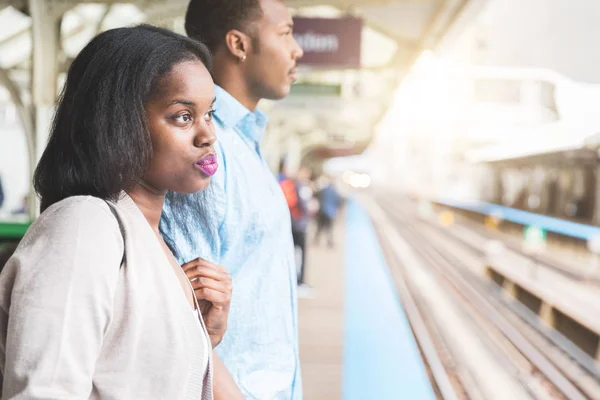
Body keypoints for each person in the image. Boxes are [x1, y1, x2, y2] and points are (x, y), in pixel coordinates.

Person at [0, 25, 235, 399]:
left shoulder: (151, 238)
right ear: (119, 122)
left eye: (209, 114)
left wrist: (203, 339)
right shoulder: (82, 226)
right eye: (182, 116)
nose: (208, 135)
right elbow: (44, 391)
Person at [160, 0, 304, 398]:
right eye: (285, 32)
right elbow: (195, 316)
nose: (298, 49)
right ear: (239, 44)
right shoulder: (208, 149)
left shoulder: (243, 141)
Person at [314, 178, 342, 248]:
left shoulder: (324, 190)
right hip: (330, 212)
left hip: (322, 211)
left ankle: (316, 241)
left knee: (319, 227)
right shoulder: (335, 192)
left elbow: (317, 196)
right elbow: (338, 202)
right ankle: (329, 242)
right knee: (329, 229)